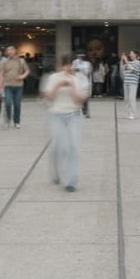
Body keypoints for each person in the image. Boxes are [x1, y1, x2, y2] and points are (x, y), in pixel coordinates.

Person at [42, 55, 89, 191]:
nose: (68, 67)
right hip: (55, 115)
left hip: (73, 115)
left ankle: (71, 181)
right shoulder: (53, 78)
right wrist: (58, 85)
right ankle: (56, 173)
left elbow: (80, 100)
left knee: (72, 147)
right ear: (61, 66)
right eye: (65, 64)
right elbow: (48, 97)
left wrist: (72, 86)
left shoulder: (79, 78)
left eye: (70, 64)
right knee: (59, 146)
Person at [0, 44, 29, 128]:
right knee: (8, 103)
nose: (10, 51)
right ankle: (8, 119)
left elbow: (27, 71)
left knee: (17, 104)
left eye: (12, 49)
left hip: (18, 86)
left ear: (15, 50)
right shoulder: (4, 62)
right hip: (8, 85)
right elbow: (1, 73)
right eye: (8, 50)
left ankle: (17, 121)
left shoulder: (21, 61)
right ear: (6, 52)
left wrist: (22, 76)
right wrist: (0, 84)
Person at [121, 51, 140, 119]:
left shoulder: (137, 62)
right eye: (130, 53)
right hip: (126, 82)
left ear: (135, 55)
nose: (130, 54)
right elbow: (122, 68)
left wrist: (126, 60)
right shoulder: (129, 63)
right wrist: (122, 60)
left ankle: (132, 113)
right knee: (126, 99)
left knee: (131, 98)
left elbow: (132, 69)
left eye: (131, 53)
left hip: (133, 83)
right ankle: (129, 113)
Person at [74, 53, 93, 118]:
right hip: (77, 82)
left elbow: (89, 72)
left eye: (81, 56)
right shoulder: (75, 62)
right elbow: (72, 70)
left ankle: (86, 111)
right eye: (78, 56)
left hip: (85, 82)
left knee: (85, 97)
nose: (79, 58)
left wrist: (86, 74)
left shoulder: (87, 63)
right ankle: (77, 111)